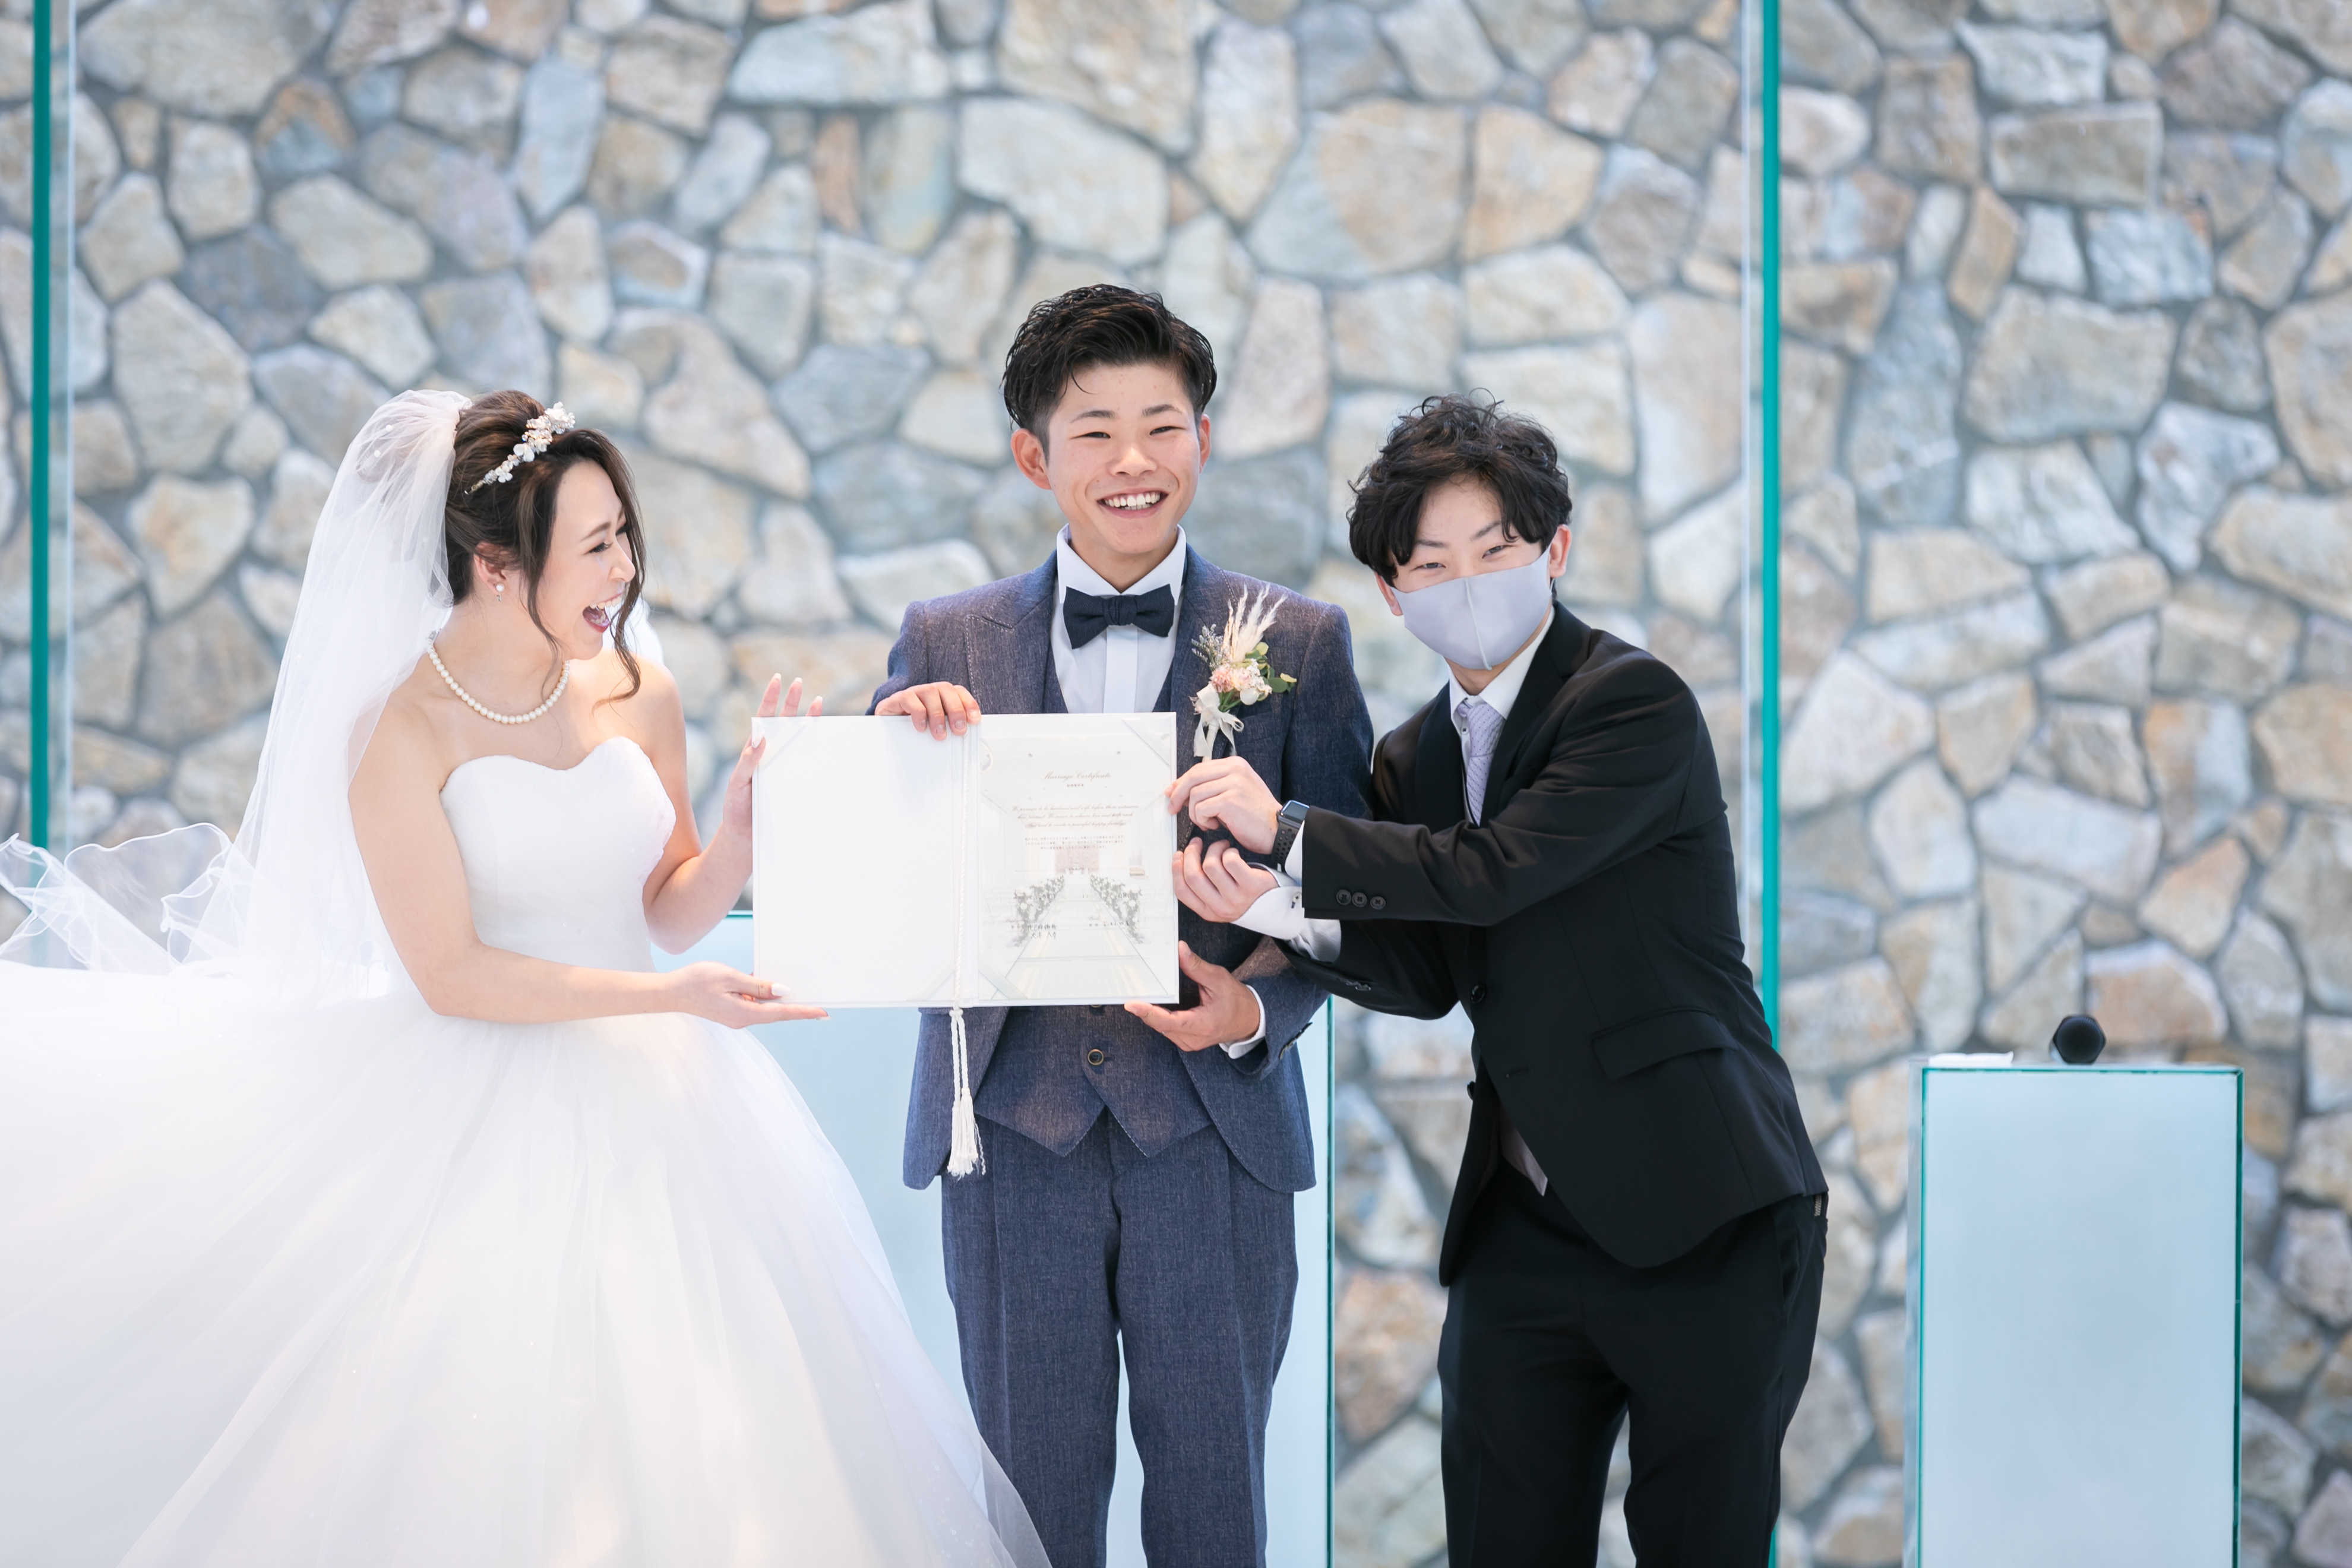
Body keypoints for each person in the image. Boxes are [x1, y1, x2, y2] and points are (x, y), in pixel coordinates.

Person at [0, 390, 1048, 1567]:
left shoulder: (636, 689)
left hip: (666, 1108)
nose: (626, 570)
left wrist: (739, 834)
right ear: (498, 566)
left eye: (624, 535)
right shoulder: (398, 728)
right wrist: (671, 999)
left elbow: (666, 908)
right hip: (472, 1101)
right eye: (595, 546)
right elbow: (451, 974)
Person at [1168, 394, 1827, 1565]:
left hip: (1703, 1205)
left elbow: (1495, 875)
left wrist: (1289, 831)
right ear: (1393, 593)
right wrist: (1260, 904)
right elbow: (1428, 969)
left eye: (1496, 549)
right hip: (1521, 1226)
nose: (1466, 583)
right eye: (1431, 563)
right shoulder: (1412, 755)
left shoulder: (1630, 704)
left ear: (1554, 551)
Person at [869, 285, 1375, 1568]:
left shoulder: (1301, 643)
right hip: (1010, 1140)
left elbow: (1358, 900)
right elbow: (885, 878)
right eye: (1094, 431)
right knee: (1029, 1516)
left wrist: (1256, 1010)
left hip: (1213, 1139)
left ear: (1204, 438)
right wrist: (888, 759)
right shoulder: (943, 640)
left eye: (1161, 425)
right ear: (1034, 455)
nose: (1132, 459)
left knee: (1216, 1512)